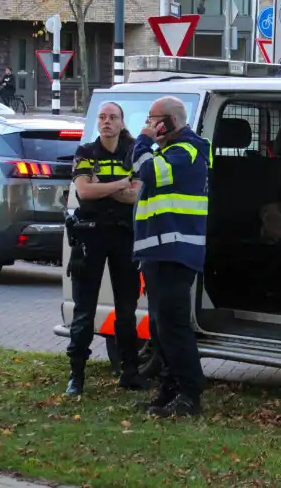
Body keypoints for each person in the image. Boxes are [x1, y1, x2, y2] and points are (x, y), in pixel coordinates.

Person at [129, 96, 211, 418]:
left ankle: (190, 395)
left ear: (172, 122)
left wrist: (143, 141)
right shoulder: (168, 151)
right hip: (158, 250)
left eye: (154, 119)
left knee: (174, 327)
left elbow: (144, 171)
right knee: (161, 328)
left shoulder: (186, 152)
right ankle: (167, 391)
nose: (149, 125)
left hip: (175, 251)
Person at [64, 101, 149, 395]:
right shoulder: (86, 152)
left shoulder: (134, 150)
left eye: (112, 117)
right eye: (102, 117)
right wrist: (120, 184)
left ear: (122, 121)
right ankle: (76, 376)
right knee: (84, 309)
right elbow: (84, 192)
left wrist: (104, 187)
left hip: (125, 236)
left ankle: (129, 372)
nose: (106, 122)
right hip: (90, 237)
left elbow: (136, 196)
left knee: (127, 310)